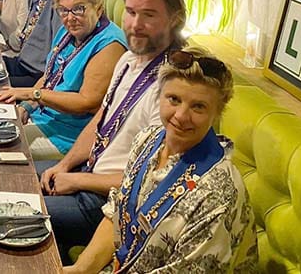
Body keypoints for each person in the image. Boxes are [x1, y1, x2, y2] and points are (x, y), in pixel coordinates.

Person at [36, 0, 187, 262]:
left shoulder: (175, 89)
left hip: (110, 204)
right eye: (131, 13)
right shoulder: (129, 60)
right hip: (86, 172)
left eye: (149, 15)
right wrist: (65, 165)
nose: (135, 24)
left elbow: (149, 181)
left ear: (175, 18)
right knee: (1, 178)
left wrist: (76, 181)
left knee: (16, 209)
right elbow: (99, 122)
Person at [64, 47, 257, 273]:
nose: (181, 116)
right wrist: (79, 270)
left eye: (198, 107)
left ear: (217, 112)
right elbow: (117, 216)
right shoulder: (147, 139)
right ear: (160, 96)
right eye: (174, 99)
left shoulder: (218, 193)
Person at [0, 0, 126, 160]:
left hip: (67, 137)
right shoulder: (68, 31)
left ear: (98, 8)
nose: (70, 18)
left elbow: (87, 103)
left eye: (79, 9)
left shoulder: (109, 45)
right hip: (41, 118)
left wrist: (34, 94)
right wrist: (25, 108)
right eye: (63, 10)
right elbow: (47, 78)